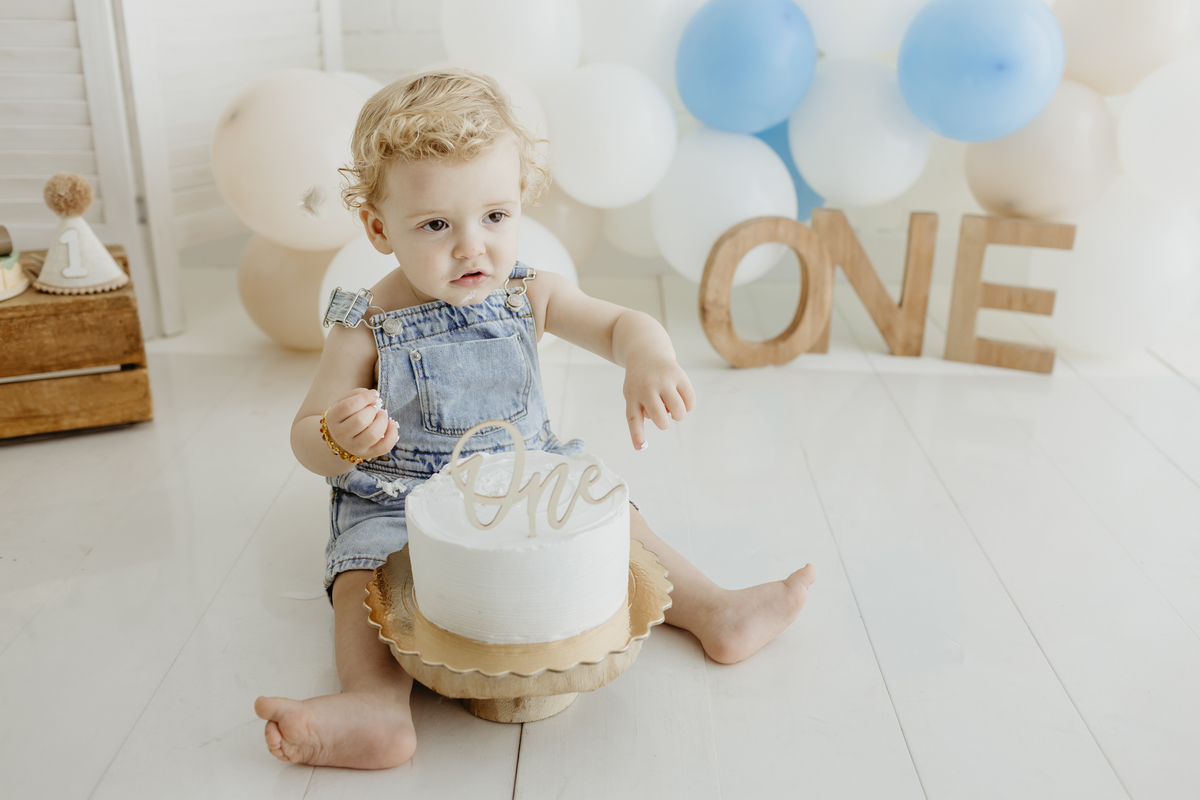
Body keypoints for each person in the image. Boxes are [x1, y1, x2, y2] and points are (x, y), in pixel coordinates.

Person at [254, 69, 816, 769]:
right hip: (399, 495)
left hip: (529, 477)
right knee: (363, 574)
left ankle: (713, 610)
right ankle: (375, 703)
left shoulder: (529, 292)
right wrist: (339, 436)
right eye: (436, 225)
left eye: (495, 216)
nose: (472, 247)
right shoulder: (364, 323)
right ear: (378, 228)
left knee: (618, 523)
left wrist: (647, 357)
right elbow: (306, 437)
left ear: (520, 204)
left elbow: (618, 325)